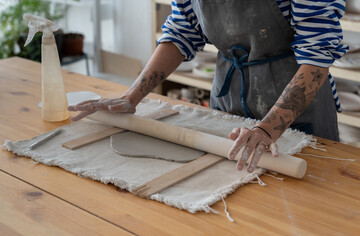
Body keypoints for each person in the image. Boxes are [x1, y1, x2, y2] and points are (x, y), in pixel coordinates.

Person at [68, 0, 348, 173]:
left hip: (298, 105)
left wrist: (266, 128)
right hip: (229, 94)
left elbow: (316, 56)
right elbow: (182, 31)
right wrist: (132, 96)